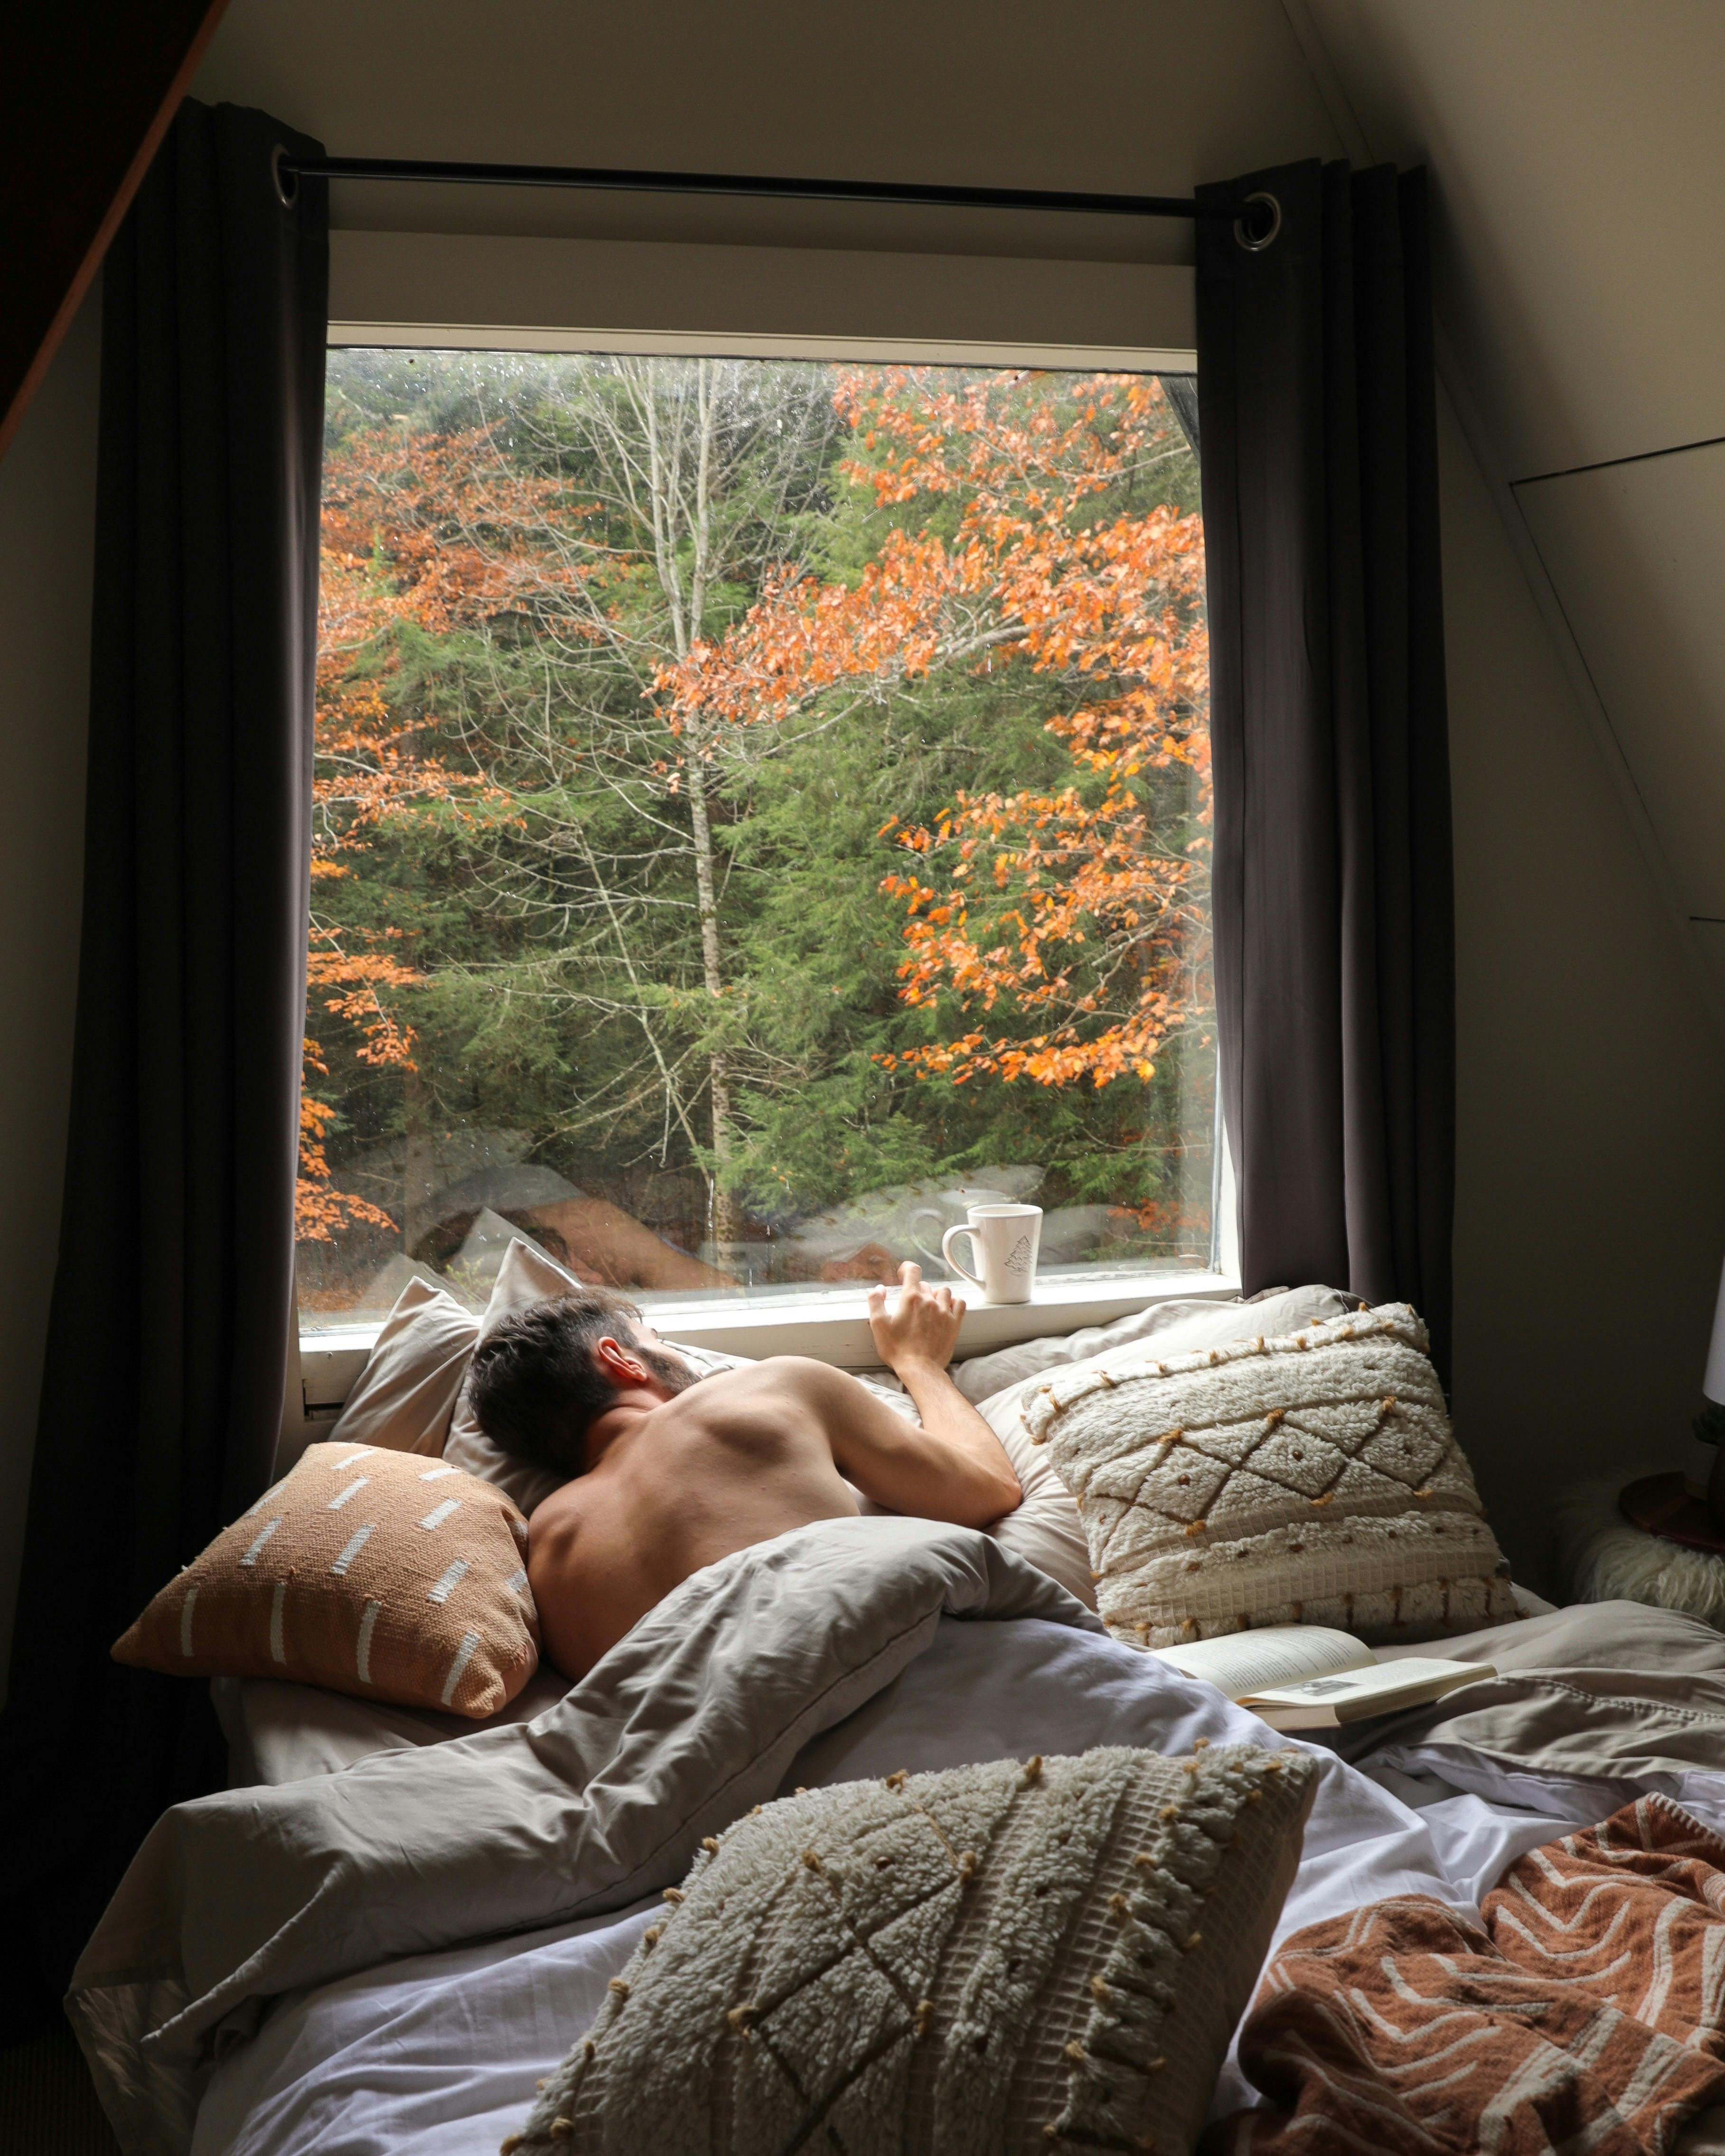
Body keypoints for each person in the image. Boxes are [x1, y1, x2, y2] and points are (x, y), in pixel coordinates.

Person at [468, 1263, 1022, 1679]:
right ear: (618, 1358)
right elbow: (988, 1491)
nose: (687, 1361)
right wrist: (920, 1364)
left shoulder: (546, 1547)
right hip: (879, 1688)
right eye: (659, 1343)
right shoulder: (766, 1388)